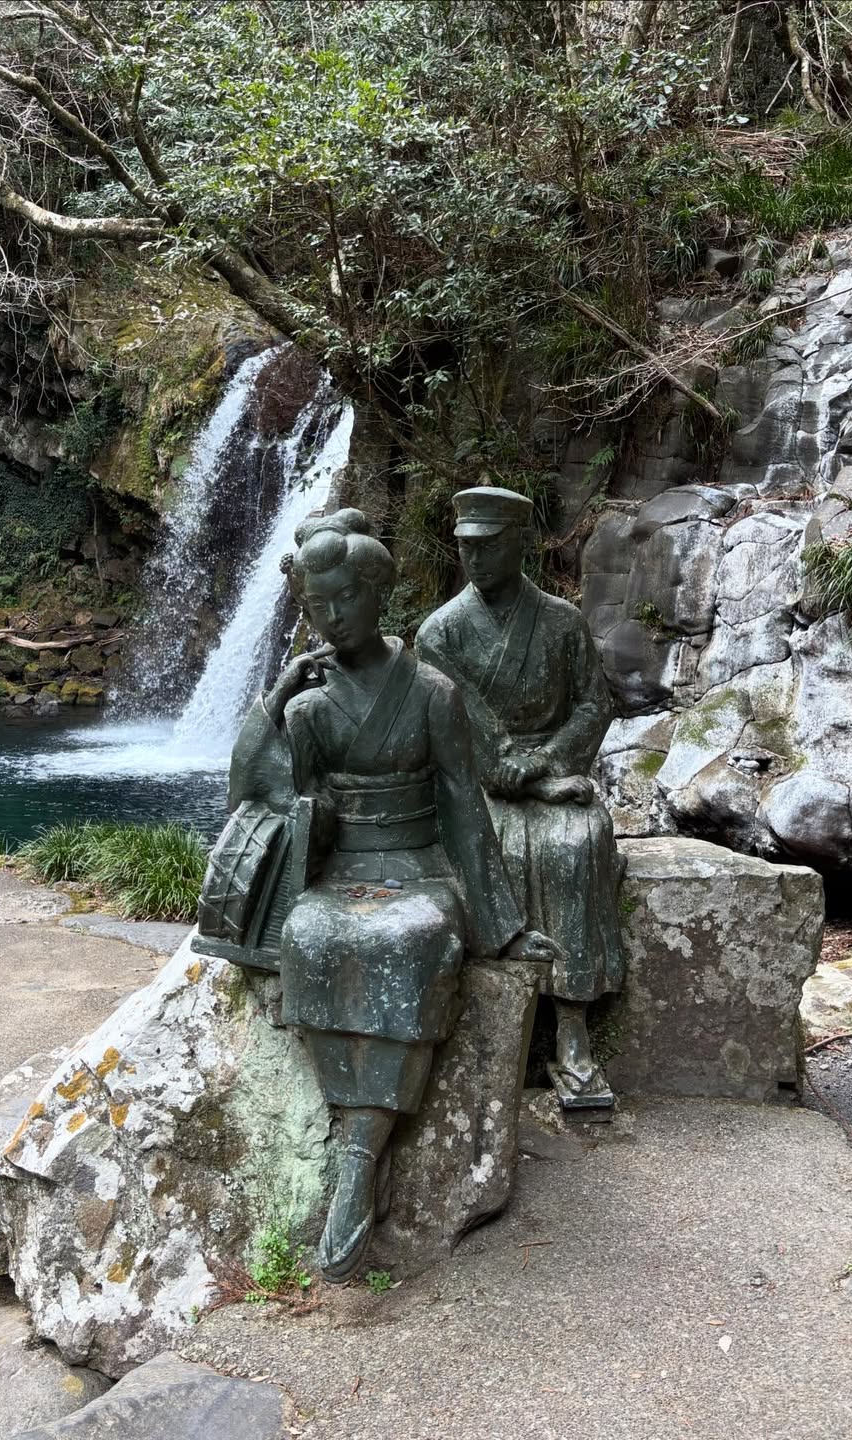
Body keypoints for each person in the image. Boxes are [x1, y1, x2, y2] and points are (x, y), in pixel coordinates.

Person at [227, 508, 553, 1283]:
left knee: (408, 941)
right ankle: (355, 1136)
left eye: (346, 598)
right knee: (311, 935)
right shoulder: (309, 703)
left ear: (379, 594)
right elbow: (252, 793)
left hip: (418, 865)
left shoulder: (433, 693)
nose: (333, 617)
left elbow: (464, 808)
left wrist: (501, 925)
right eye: (317, 605)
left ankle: (359, 1155)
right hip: (342, 868)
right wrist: (275, 699)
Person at [416, 486, 625, 1111]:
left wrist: (547, 762)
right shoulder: (440, 633)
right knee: (483, 844)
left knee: (577, 843)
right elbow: (457, 725)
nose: (475, 559)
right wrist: (522, 776)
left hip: (556, 770)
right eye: (465, 548)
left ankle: (572, 1028)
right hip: (478, 781)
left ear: (520, 545)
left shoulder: (561, 621)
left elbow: (594, 704)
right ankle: (480, 1020)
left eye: (488, 546)